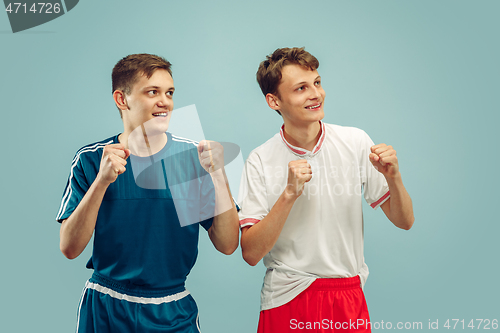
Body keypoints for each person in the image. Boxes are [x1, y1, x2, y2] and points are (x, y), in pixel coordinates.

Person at [56, 53, 239, 333]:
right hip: (107, 308)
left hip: (172, 310)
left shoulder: (191, 158)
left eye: (169, 92)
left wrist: (219, 176)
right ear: (122, 99)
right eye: (152, 92)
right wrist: (102, 182)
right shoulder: (92, 159)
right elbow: (70, 248)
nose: (164, 101)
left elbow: (227, 244)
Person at [238, 47, 414, 332]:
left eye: (317, 83)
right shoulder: (260, 158)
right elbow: (250, 253)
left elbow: (405, 221)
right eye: (301, 88)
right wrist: (289, 194)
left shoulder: (356, 141)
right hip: (287, 296)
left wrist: (394, 177)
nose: (315, 94)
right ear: (274, 101)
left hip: (348, 295)